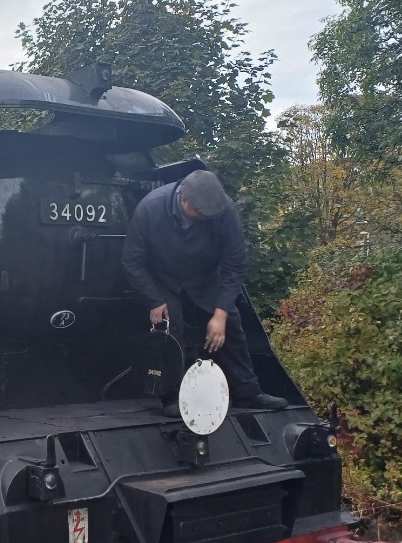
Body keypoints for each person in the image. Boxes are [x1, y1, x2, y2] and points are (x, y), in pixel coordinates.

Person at [122, 169, 289, 417]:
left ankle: (247, 392)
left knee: (232, 325)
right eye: (199, 214)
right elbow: (132, 261)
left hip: (205, 278)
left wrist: (220, 315)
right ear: (183, 199)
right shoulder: (150, 208)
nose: (204, 218)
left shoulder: (223, 210)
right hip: (163, 280)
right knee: (170, 328)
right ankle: (171, 396)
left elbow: (235, 265)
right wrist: (154, 299)